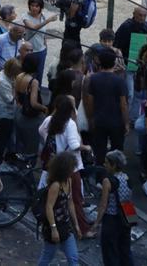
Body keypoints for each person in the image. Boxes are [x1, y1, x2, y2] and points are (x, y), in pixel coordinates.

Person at [39, 95, 93, 237]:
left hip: (53, 164)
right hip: (69, 166)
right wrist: (86, 147)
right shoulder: (69, 124)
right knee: (75, 198)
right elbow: (74, 145)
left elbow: (41, 130)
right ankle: (82, 229)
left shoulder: (50, 120)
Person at [83, 49, 129, 165]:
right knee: (117, 151)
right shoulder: (119, 81)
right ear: (114, 63)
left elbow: (89, 102)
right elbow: (124, 105)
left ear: (99, 62)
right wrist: (126, 123)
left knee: (99, 151)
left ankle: (100, 178)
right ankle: (116, 176)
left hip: (99, 121)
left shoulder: (93, 79)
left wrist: (90, 119)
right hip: (116, 122)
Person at [90, 150, 134, 266]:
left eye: (106, 163)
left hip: (111, 220)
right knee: (125, 250)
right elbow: (129, 199)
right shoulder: (127, 178)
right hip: (126, 219)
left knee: (110, 253)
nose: (104, 165)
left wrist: (96, 223)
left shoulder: (107, 181)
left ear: (113, 165)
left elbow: (103, 205)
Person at [37, 153, 81, 266]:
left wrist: (76, 224)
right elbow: (49, 207)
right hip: (55, 226)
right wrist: (53, 229)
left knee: (73, 257)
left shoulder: (69, 181)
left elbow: (70, 202)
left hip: (65, 226)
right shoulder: (55, 186)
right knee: (47, 256)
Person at [14, 54, 48, 156]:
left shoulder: (19, 76)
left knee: (21, 144)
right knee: (31, 148)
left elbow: (15, 95)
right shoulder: (33, 82)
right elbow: (33, 103)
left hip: (20, 114)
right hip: (31, 119)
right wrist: (44, 108)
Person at [0, 57, 21, 163]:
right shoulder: (2, 81)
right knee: (3, 137)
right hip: (4, 112)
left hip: (8, 111)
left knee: (6, 136)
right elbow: (10, 100)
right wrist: (15, 89)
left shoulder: (5, 75)